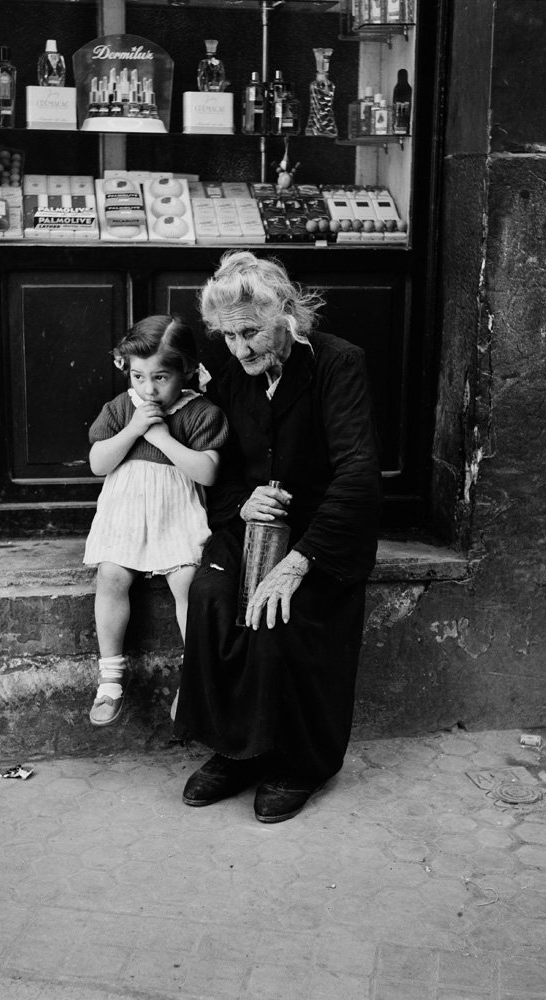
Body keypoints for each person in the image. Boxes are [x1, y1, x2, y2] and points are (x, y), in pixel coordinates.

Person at [174, 250, 381, 823]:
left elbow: (357, 472)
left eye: (251, 333)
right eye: (228, 335)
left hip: (322, 530)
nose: (239, 349)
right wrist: (242, 503)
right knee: (213, 594)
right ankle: (236, 749)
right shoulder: (227, 368)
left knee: (286, 611)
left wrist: (298, 562)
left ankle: (301, 762)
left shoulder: (338, 363)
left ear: (287, 315)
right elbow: (219, 465)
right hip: (252, 523)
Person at [83, 315, 228, 726]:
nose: (148, 389)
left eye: (161, 377)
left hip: (175, 516)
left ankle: (193, 680)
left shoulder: (200, 413)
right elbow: (98, 463)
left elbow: (207, 472)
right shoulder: (121, 409)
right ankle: (111, 678)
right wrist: (133, 430)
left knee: (188, 583)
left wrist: (162, 438)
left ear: (188, 370)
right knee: (111, 576)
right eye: (138, 377)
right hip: (126, 516)